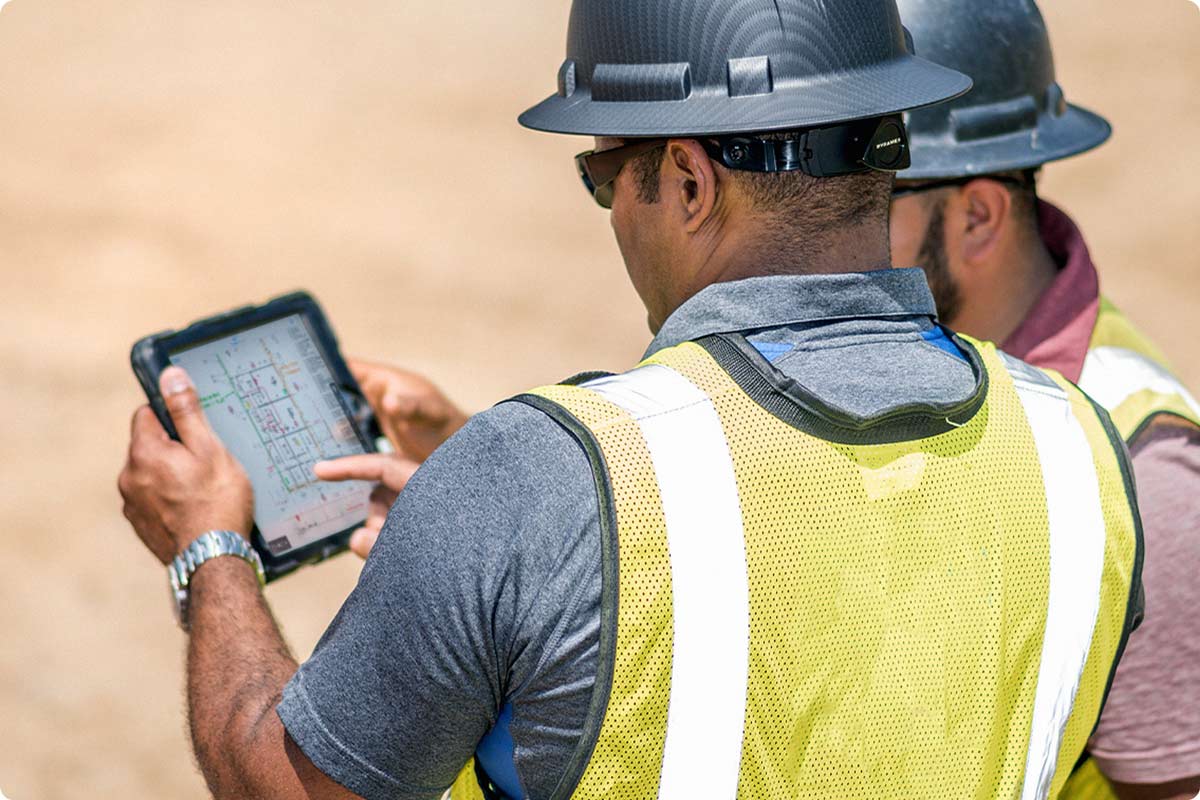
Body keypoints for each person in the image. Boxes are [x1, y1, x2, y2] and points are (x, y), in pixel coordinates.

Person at [118, 1, 1144, 798]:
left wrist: (209, 554)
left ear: (691, 182)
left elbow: (283, 781)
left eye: (604, 179)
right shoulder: (1081, 453)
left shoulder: (532, 481)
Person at [886, 2, 1200, 798]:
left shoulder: (1146, 481)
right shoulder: (897, 371)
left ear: (979, 218)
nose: (821, 242)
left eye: (864, 204)